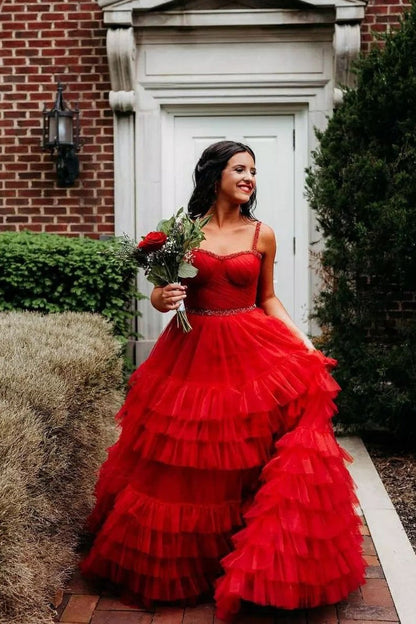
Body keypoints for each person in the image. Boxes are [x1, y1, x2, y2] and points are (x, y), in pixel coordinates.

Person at [80, 141, 365, 622]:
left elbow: (268, 298)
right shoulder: (185, 235)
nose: (249, 177)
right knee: (191, 458)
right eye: (240, 169)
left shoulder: (263, 234)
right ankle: (199, 561)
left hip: (251, 344)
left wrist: (304, 343)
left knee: (247, 451)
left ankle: (250, 561)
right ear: (216, 177)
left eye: (254, 170)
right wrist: (161, 297)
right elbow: (159, 292)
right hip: (192, 353)